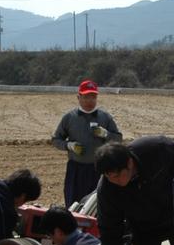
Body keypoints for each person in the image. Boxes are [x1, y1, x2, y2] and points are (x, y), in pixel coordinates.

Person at [51, 79, 122, 207]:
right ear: (78, 97)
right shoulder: (69, 118)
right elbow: (56, 140)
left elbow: (118, 139)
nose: (90, 101)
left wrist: (106, 134)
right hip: (76, 169)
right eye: (86, 97)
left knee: (98, 205)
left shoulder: (105, 117)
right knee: (73, 203)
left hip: (99, 169)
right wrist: (69, 145)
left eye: (93, 97)